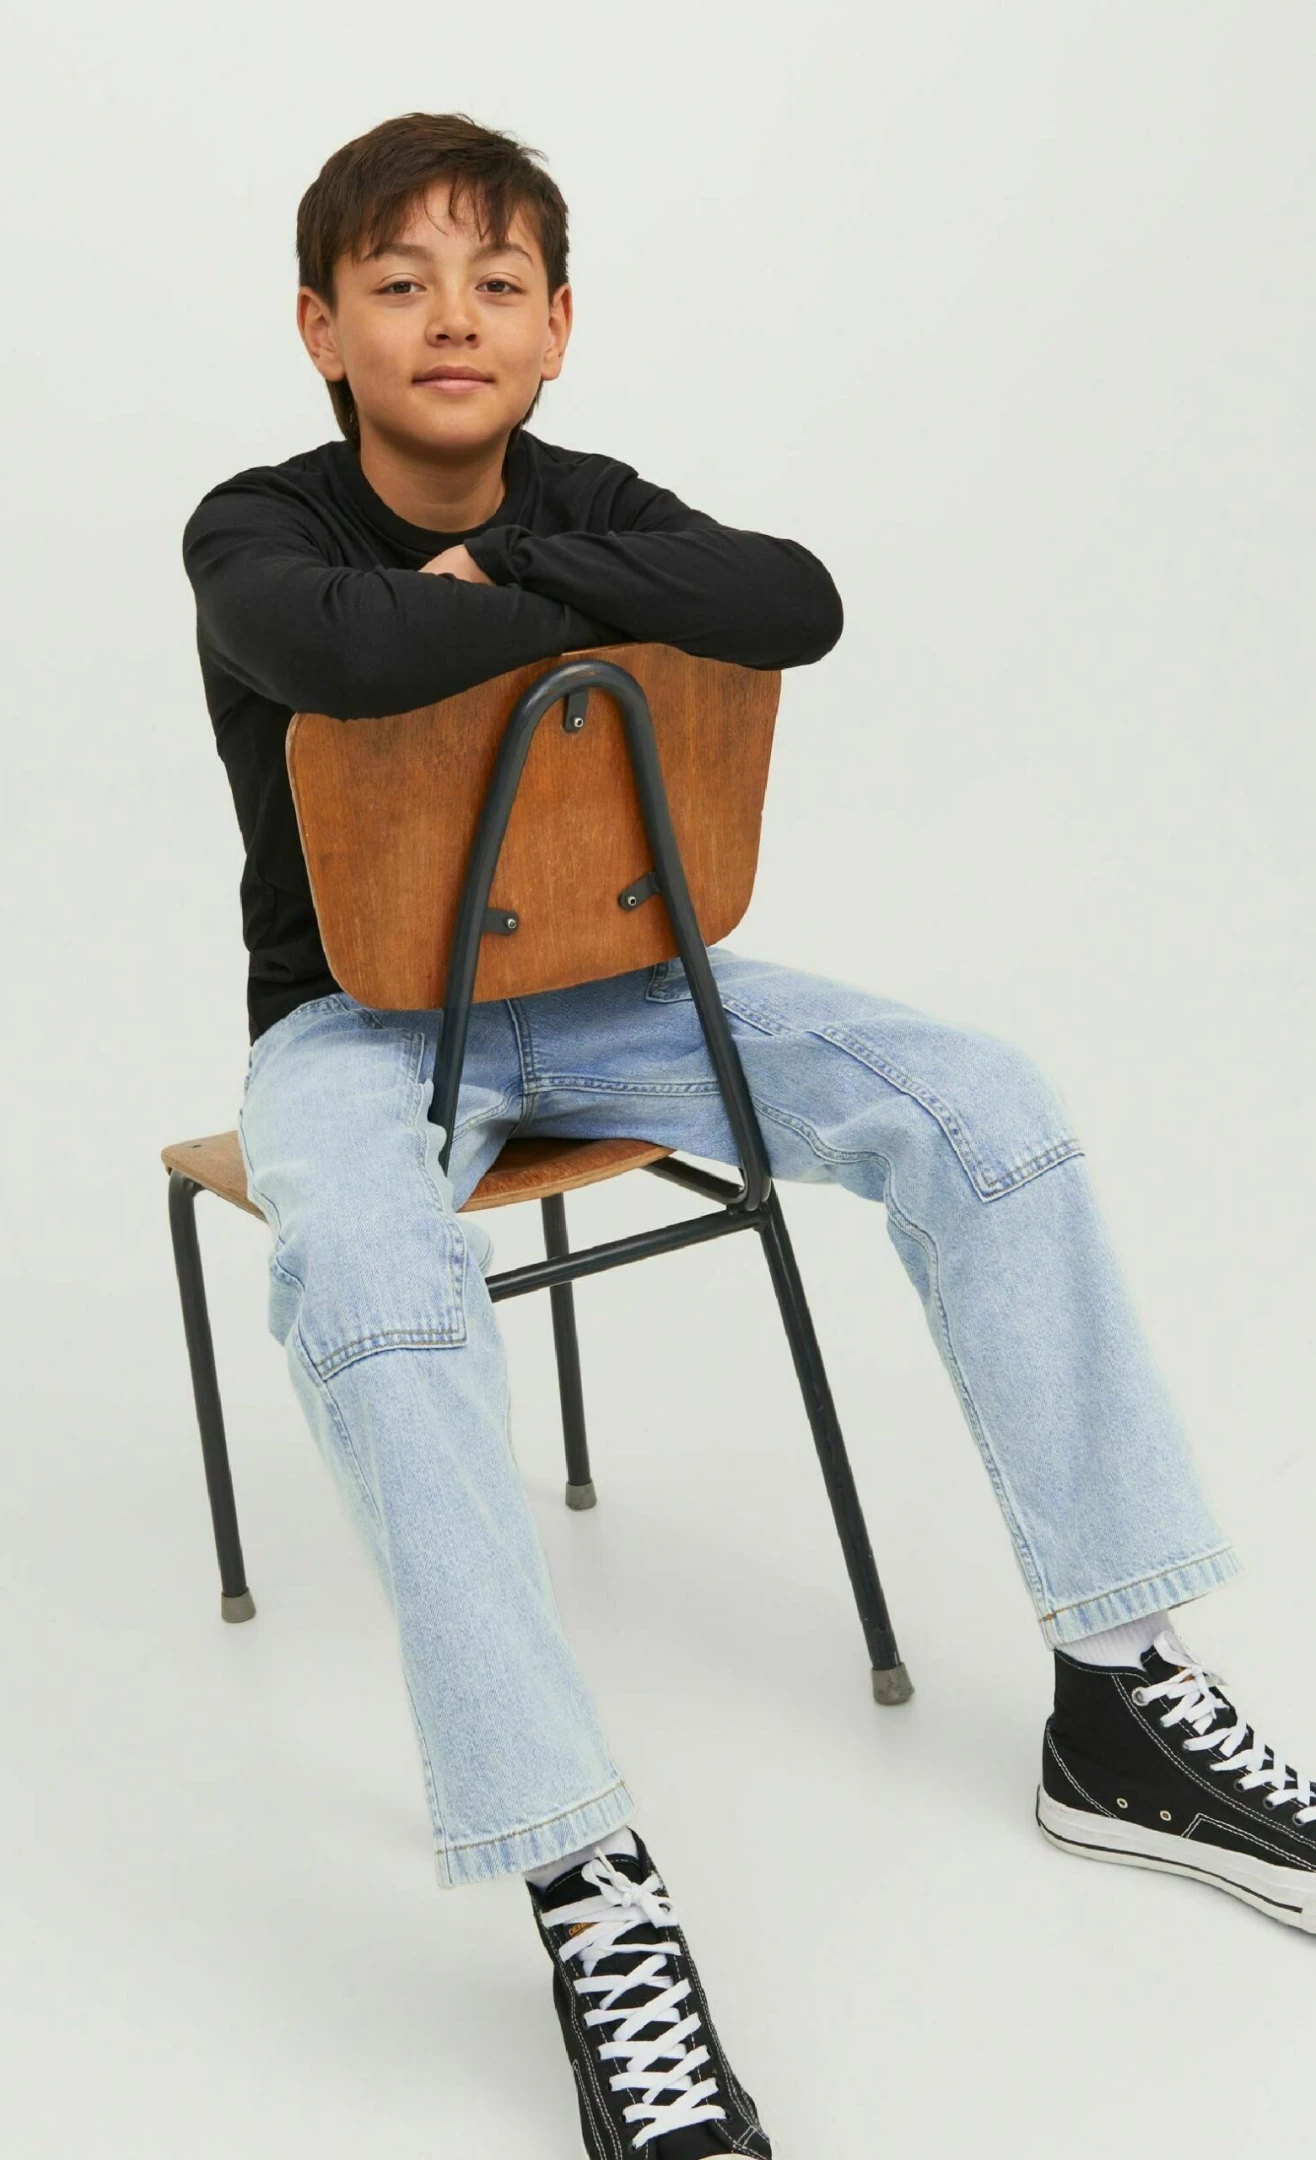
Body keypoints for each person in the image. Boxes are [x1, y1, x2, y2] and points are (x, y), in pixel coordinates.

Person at [181, 110, 1315, 2158]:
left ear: (559, 326)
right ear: (321, 328)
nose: (453, 318)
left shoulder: (583, 496)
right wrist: (583, 611)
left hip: (628, 986)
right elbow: (339, 647)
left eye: (498, 283)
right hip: (360, 1026)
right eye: (400, 284)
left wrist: (517, 564)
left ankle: (1124, 1694)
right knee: (366, 1268)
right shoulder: (256, 523)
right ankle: (586, 1882)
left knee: (985, 1101)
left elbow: (791, 600)